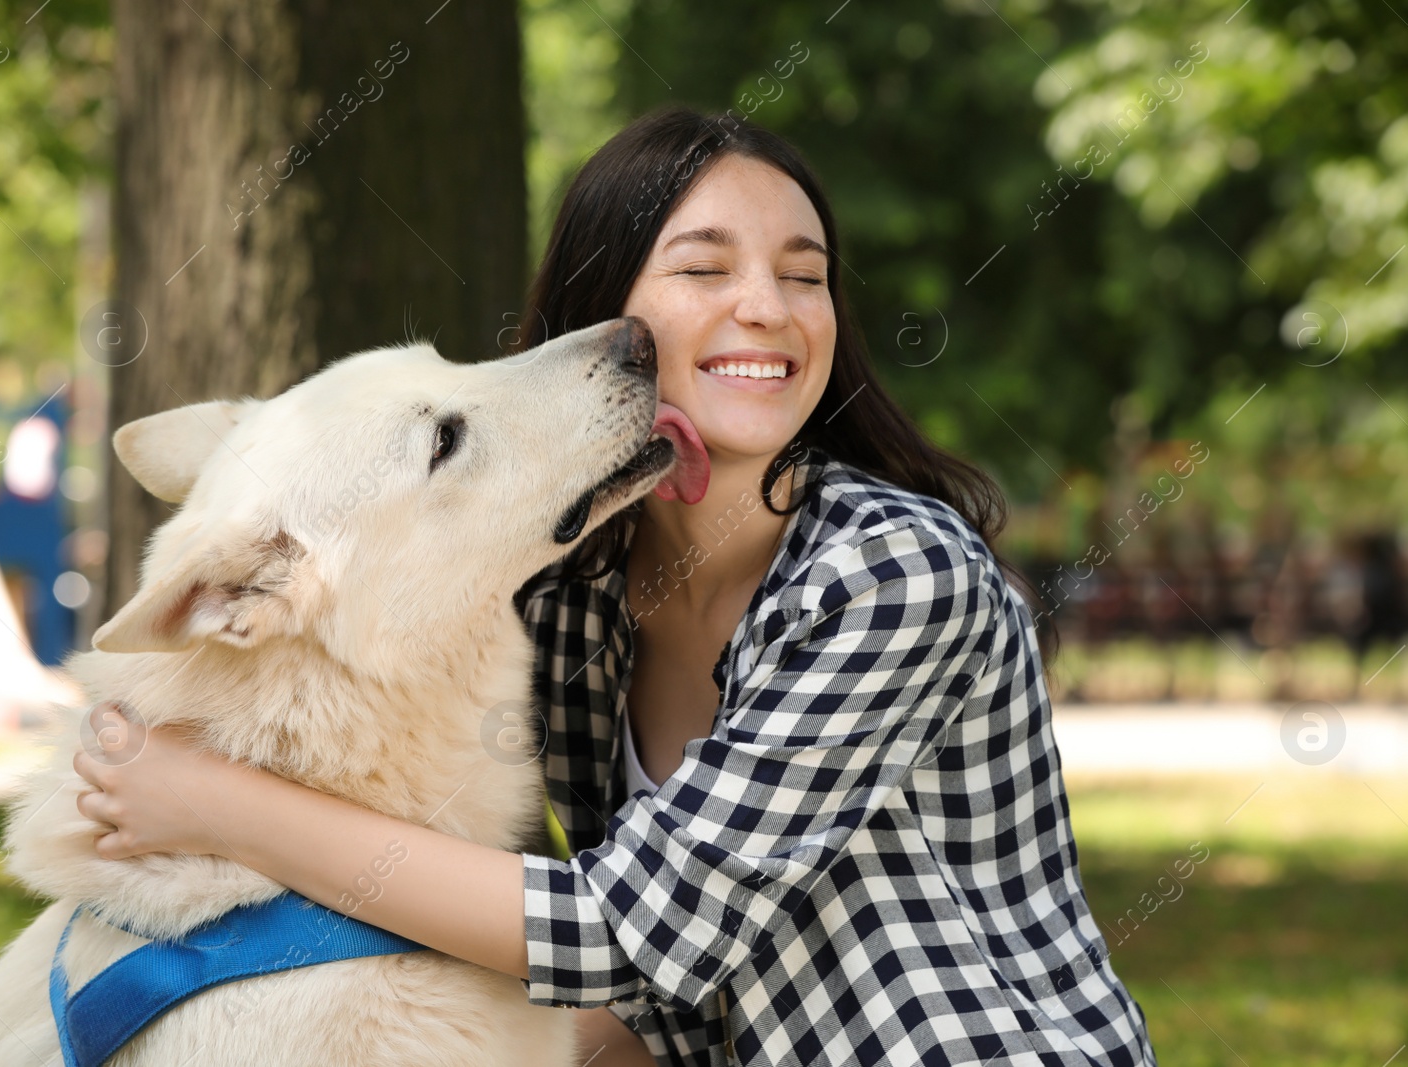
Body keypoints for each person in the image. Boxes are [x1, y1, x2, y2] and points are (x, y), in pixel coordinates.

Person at [71, 104, 1158, 1067]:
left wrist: (222, 805)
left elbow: (621, 932)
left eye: (803, 273)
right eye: (704, 267)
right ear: (606, 309)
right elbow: (662, 999)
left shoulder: (891, 574)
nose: (767, 307)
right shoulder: (573, 597)